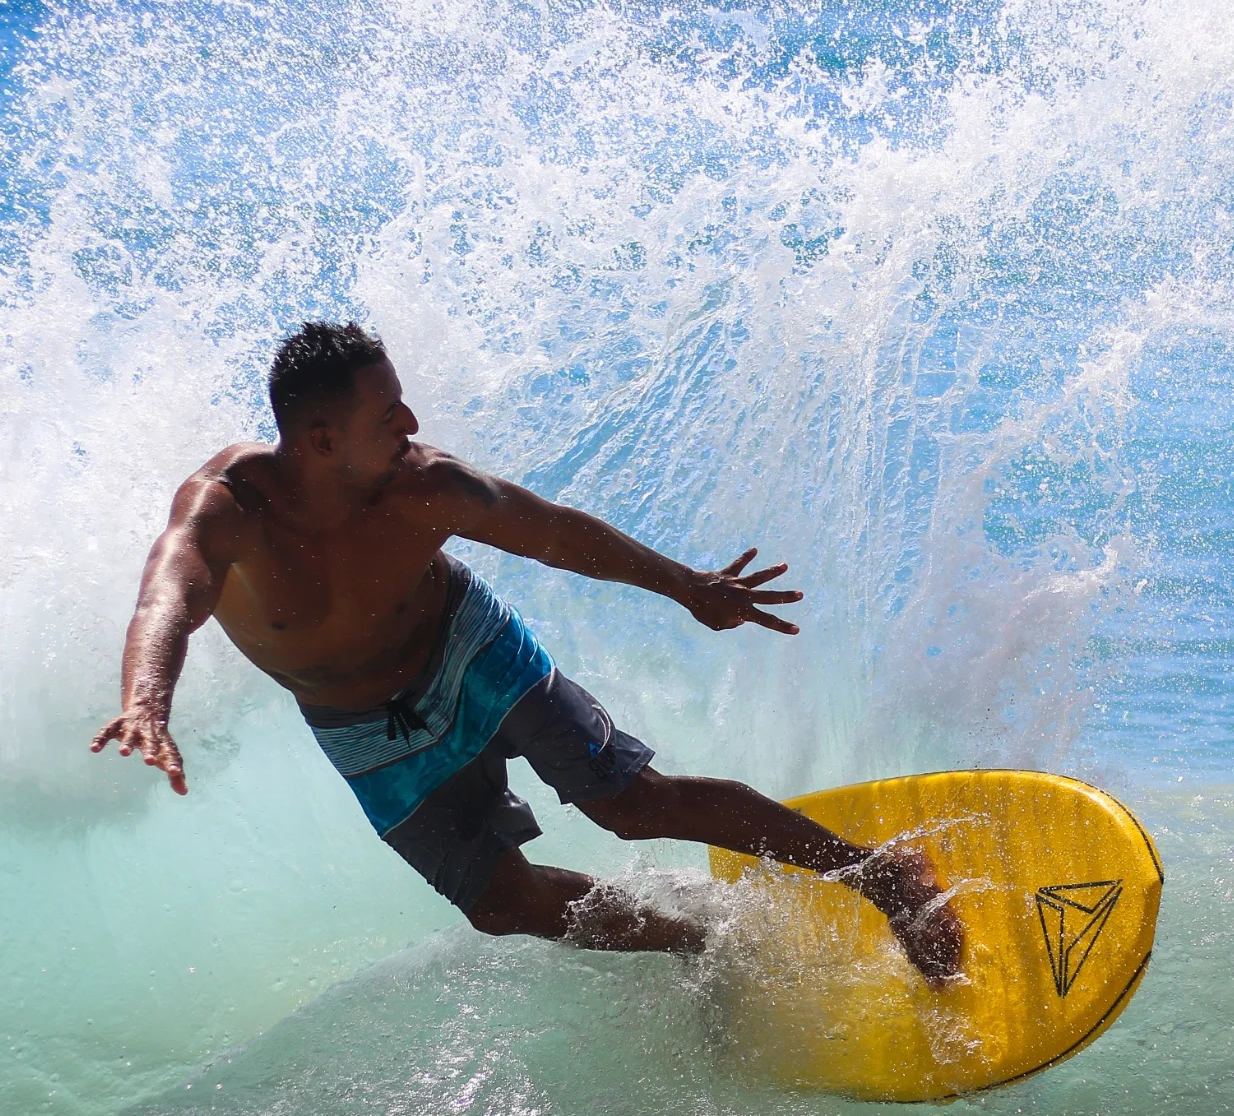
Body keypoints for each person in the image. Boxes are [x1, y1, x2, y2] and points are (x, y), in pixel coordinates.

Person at [92, 322, 963, 982]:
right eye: (386, 410)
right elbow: (171, 592)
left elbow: (550, 532)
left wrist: (688, 588)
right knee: (502, 907)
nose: (410, 419)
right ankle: (699, 945)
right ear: (321, 440)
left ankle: (882, 878)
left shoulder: (424, 486)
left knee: (628, 801)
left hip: (469, 650)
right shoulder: (226, 508)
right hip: (359, 725)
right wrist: (147, 701)